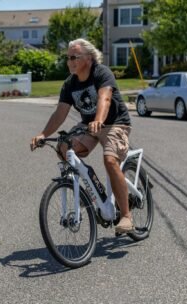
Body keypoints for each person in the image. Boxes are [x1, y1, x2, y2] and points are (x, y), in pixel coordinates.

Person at [30, 38, 134, 233]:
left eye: (73, 57)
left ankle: (126, 215)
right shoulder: (70, 84)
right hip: (89, 125)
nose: (69, 61)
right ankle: (86, 191)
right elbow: (60, 113)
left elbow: (105, 98)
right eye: (68, 58)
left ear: (89, 58)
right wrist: (43, 134)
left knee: (110, 160)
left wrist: (99, 120)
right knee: (64, 147)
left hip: (114, 123)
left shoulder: (101, 72)